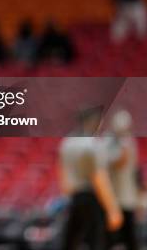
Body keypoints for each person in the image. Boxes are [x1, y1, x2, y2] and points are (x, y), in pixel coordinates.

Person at [57, 105, 123, 250]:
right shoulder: (93, 145)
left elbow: (62, 175)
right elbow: (99, 178)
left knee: (70, 241)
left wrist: (70, 194)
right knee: (96, 242)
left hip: (75, 197)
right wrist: (112, 208)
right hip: (92, 198)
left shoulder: (67, 142)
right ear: (93, 122)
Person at [104, 110, 141, 250]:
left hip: (128, 197)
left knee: (130, 238)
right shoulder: (108, 141)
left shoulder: (130, 142)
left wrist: (138, 197)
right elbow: (119, 162)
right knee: (109, 238)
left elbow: (135, 171)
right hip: (112, 199)